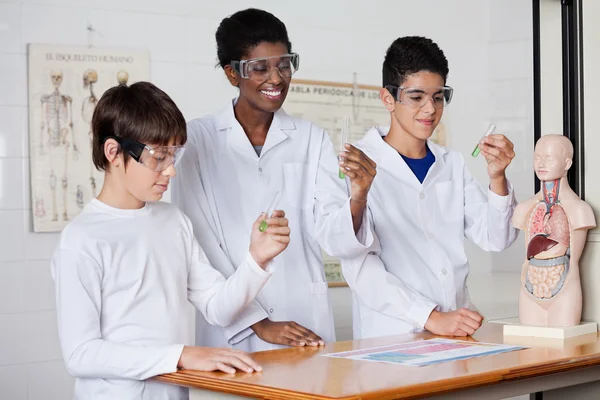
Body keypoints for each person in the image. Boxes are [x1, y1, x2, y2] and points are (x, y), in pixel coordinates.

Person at [51, 82, 291, 399]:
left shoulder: (173, 221)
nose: (171, 171)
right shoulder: (81, 239)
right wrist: (181, 355)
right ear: (114, 152)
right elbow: (80, 354)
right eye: (159, 157)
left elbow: (218, 308)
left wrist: (255, 260)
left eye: (174, 155)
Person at [173, 8, 376, 351]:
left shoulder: (311, 139)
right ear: (231, 73)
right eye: (260, 68)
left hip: (303, 321)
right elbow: (200, 247)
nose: (277, 78)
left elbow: (334, 236)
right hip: (232, 327)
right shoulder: (197, 140)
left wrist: (358, 196)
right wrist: (259, 323)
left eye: (284, 64)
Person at [343, 36, 519, 339]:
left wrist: (498, 178)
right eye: (416, 97)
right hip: (392, 335)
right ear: (388, 98)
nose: (430, 109)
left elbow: (496, 238)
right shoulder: (357, 165)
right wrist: (430, 317)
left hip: (457, 327)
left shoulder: (451, 163)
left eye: (438, 97)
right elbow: (359, 267)